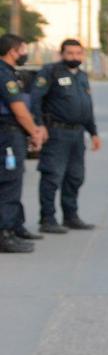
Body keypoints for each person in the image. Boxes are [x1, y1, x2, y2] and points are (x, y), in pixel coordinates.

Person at [30, 39, 100, 234]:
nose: (74, 57)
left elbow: (87, 107)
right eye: (70, 53)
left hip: (77, 134)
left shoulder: (82, 77)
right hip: (56, 132)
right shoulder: (50, 72)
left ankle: (71, 216)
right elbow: (35, 100)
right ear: (62, 54)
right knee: (52, 175)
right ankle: (48, 218)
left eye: (78, 53)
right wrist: (39, 126)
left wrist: (93, 132)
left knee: (75, 177)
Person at [0, 34, 46, 252]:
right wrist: (34, 132)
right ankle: (4, 234)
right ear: (12, 51)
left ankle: (15, 226)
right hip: (7, 134)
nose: (25, 54)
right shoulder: (4, 75)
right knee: (9, 182)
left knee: (15, 180)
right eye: (23, 50)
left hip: (13, 133)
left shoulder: (11, 73)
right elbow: (18, 111)